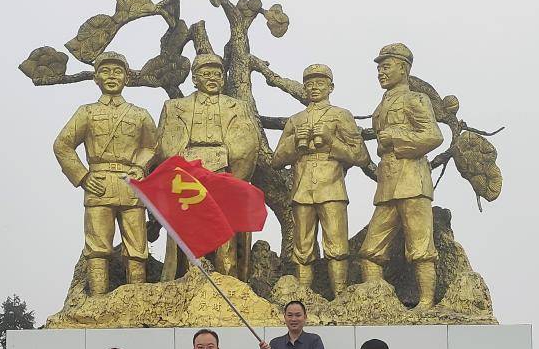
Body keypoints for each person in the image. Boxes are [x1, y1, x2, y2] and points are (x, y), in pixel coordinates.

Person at [52, 51, 158, 295]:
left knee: (137, 247)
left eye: (118, 71)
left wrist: (140, 167)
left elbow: (152, 146)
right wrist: (83, 177)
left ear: (127, 78)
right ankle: (98, 299)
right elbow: (62, 144)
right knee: (97, 247)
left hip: (131, 185)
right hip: (98, 183)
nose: (112, 76)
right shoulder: (86, 112)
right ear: (96, 78)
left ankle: (137, 298)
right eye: (105, 71)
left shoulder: (139, 114)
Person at [156, 52, 259, 280]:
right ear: (194, 78)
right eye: (206, 73)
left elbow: (248, 145)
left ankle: (228, 280)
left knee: (225, 232)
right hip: (188, 178)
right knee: (191, 231)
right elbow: (164, 144)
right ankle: (190, 279)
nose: (213, 78)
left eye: (217, 74)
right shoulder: (175, 107)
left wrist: (235, 181)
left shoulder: (238, 107)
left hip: (223, 176)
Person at [271, 63, 371, 297]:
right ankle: (303, 296)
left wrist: (330, 141)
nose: (314, 87)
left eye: (320, 83)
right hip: (302, 189)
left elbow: (361, 156)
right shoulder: (295, 120)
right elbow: (276, 160)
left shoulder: (341, 115)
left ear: (330, 87)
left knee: (336, 245)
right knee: (302, 247)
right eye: (309, 84)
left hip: (332, 187)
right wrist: (294, 142)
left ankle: (339, 296)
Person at [359, 43, 444, 308]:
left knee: (421, 248)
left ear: (403, 68)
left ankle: (426, 303)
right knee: (370, 250)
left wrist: (395, 137)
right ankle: (376, 303)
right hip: (387, 185)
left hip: (413, 182)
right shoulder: (380, 106)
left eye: (386, 67)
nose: (381, 73)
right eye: (379, 68)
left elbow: (433, 136)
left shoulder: (416, 99)